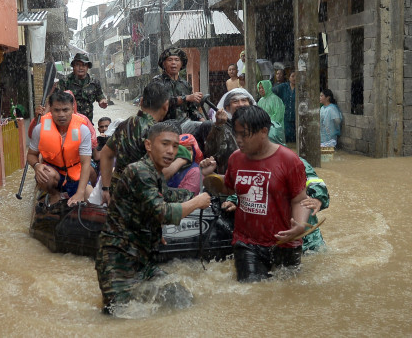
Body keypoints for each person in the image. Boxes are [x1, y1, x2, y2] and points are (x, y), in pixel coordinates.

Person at [95, 121, 212, 314]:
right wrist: (197, 202)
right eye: (164, 144)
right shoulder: (139, 171)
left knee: (182, 298)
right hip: (118, 261)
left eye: (175, 146)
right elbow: (163, 212)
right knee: (118, 319)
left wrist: (199, 191)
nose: (171, 151)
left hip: (142, 258)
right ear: (149, 145)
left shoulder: (154, 173)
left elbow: (167, 196)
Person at [214, 106, 310, 282]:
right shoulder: (235, 158)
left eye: (244, 134)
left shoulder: (289, 160)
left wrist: (299, 226)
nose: (239, 140)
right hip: (247, 242)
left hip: (284, 243)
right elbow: (228, 188)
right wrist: (208, 175)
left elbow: (300, 200)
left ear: (264, 132)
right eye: (237, 134)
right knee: (251, 292)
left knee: (289, 296)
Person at [99, 82, 194, 204]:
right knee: (191, 196)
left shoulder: (126, 123)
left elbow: (105, 153)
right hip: (144, 197)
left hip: (118, 192)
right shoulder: (157, 134)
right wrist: (184, 159)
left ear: (142, 101)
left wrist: (106, 189)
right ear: (166, 105)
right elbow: (161, 174)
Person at [26, 90, 93, 206]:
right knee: (45, 174)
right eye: (57, 110)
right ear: (50, 109)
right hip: (54, 173)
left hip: (76, 174)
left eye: (65, 110)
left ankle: (78, 192)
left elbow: (86, 163)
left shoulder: (83, 130)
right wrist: (37, 166)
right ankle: (54, 194)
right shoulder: (40, 129)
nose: (61, 114)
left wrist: (80, 193)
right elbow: (31, 155)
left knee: (90, 197)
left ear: (72, 108)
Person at [152, 48, 204, 131]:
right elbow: (162, 102)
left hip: (185, 123)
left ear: (181, 64)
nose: (173, 63)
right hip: (164, 126)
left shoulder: (185, 84)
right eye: (170, 60)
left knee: (209, 126)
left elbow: (192, 109)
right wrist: (186, 98)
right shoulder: (157, 82)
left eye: (177, 60)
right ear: (164, 63)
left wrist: (203, 121)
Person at [58, 53, 107, 123]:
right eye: (78, 65)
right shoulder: (65, 82)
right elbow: (57, 102)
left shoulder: (94, 82)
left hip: (87, 122)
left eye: (84, 65)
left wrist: (102, 101)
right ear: (73, 66)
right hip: (69, 122)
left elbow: (100, 96)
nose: (81, 68)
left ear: (87, 67)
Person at [299, 157, 329, 253]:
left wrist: (317, 198)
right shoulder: (253, 163)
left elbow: (316, 183)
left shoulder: (295, 161)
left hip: (309, 240)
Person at [257, 79, 285, 144]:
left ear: (268, 87)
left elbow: (278, 114)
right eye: (259, 88)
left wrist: (269, 125)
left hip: (274, 129)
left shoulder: (275, 99)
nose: (261, 90)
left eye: (262, 87)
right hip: (263, 129)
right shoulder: (260, 101)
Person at [274, 70, 296, 143]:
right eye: (292, 76)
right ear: (289, 78)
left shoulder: (300, 88)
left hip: (296, 117)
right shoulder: (284, 87)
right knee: (286, 138)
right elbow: (272, 91)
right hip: (286, 117)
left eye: (297, 76)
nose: (294, 78)